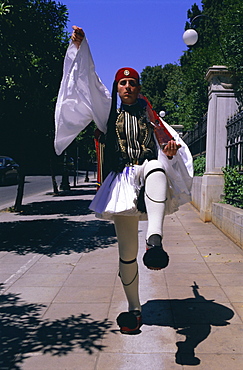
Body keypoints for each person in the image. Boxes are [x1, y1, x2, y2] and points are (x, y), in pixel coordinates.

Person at [54, 26, 193, 334]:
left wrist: (169, 151)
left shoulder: (151, 117)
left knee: (156, 167)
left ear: (139, 87)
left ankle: (154, 241)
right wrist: (80, 45)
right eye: (123, 83)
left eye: (132, 83)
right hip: (121, 180)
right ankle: (135, 310)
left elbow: (169, 147)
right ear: (117, 88)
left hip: (145, 171)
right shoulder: (107, 115)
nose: (127, 87)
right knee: (125, 255)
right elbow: (89, 80)